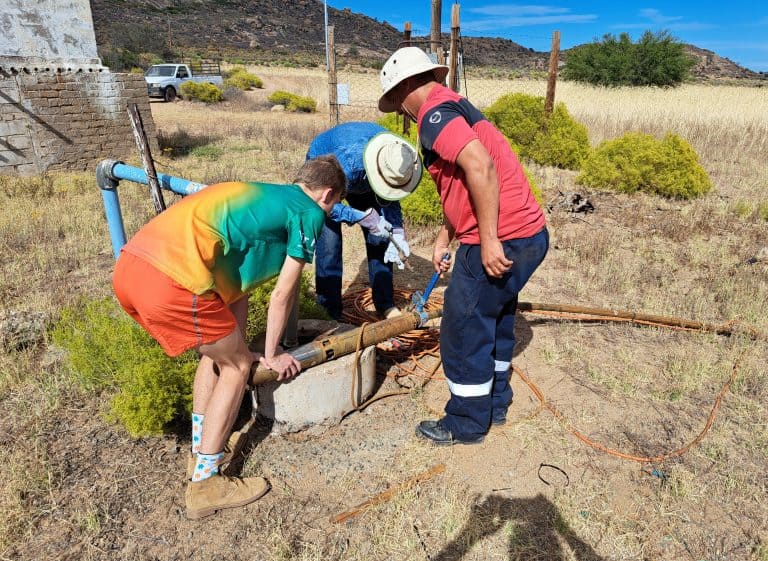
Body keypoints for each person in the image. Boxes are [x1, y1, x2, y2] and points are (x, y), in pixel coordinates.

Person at [112, 156, 347, 518]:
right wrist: (271, 354)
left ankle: (199, 455)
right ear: (327, 194)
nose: (330, 213)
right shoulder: (309, 212)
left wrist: (240, 342)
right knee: (237, 367)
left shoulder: (264, 199)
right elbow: (284, 293)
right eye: (333, 205)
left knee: (217, 355)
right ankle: (206, 486)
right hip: (170, 279)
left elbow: (237, 290)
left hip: (131, 267)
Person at [378, 47, 549, 445]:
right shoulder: (454, 105)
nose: (400, 110)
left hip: (502, 236)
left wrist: (487, 241)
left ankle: (466, 423)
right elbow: (463, 186)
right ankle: (496, 403)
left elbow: (481, 167)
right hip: (529, 234)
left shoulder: (434, 115)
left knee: (464, 326)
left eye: (396, 102)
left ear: (405, 88)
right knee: (496, 315)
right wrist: (444, 238)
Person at [306, 121, 422, 320]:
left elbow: (390, 196)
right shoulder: (347, 162)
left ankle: (385, 303)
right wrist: (360, 216)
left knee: (380, 237)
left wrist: (397, 229)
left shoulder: (397, 156)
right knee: (330, 242)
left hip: (365, 172)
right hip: (327, 172)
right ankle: (328, 311)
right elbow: (323, 203)